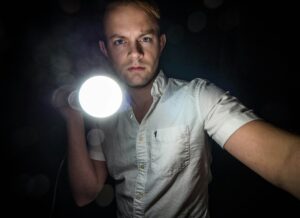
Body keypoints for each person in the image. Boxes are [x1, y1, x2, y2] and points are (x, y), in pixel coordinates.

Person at [56, 0, 300, 217]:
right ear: (105, 50)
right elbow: (85, 194)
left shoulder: (197, 98)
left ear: (161, 44)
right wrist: (73, 117)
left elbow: (285, 161)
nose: (135, 53)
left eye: (145, 39)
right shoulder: (103, 112)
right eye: (120, 41)